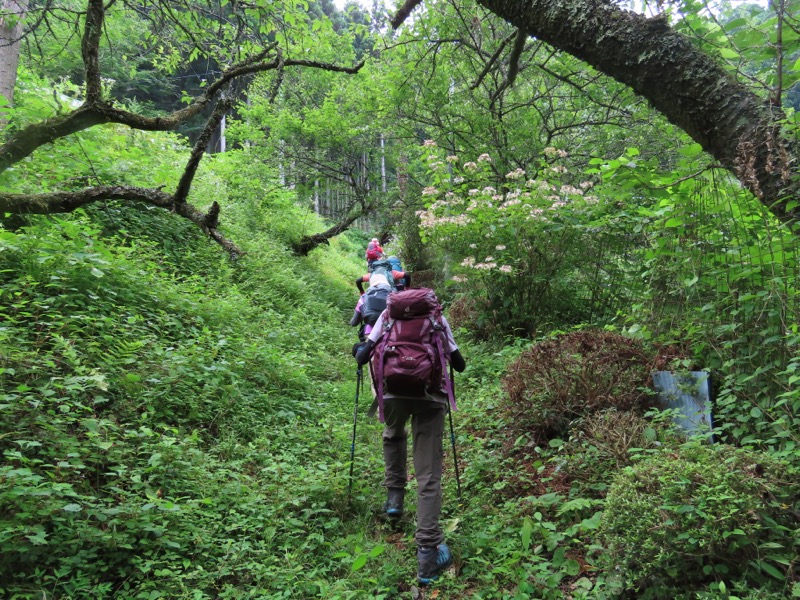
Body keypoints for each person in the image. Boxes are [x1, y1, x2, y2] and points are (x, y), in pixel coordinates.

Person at [353, 289, 466, 585]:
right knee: (428, 475)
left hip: (392, 394)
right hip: (430, 398)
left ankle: (394, 499)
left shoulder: (387, 317)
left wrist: (359, 350)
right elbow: (459, 364)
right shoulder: (437, 320)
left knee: (393, 433)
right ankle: (428, 555)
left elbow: (364, 354)